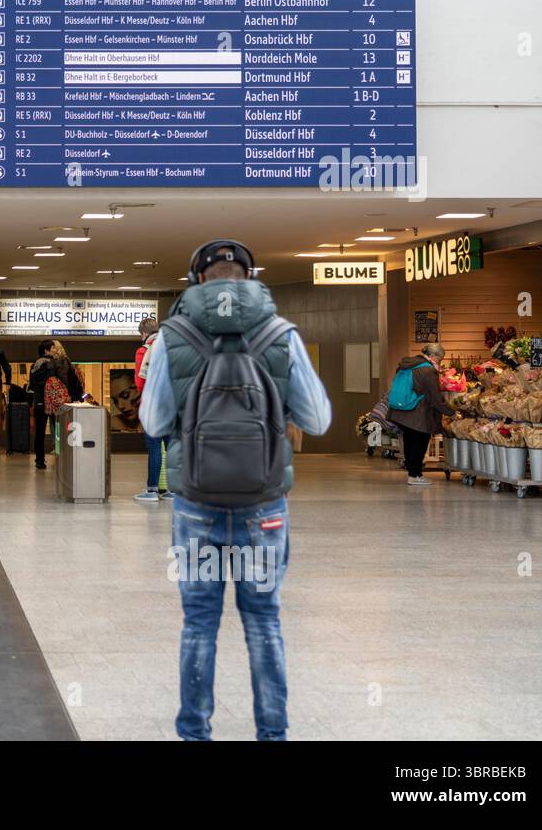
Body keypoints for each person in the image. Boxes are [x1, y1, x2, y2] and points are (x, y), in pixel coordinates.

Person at [141, 239, 331, 741]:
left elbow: (155, 422)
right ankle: (272, 734)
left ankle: (194, 733)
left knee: (199, 623)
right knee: (264, 623)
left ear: (195, 280)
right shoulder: (280, 334)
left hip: (196, 506)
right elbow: (318, 417)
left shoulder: (171, 336)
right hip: (264, 505)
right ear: (250, 278)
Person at [388, 342, 456, 485]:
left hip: (403, 410)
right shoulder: (427, 370)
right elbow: (435, 398)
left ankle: (412, 474)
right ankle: (415, 475)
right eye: (439, 359)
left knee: (409, 443)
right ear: (432, 356)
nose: (440, 362)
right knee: (419, 444)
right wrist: (451, 412)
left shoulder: (407, 365)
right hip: (419, 413)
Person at [134, 316, 172, 502]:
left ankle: (152, 490)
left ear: (144, 333)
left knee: (154, 447)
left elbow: (140, 382)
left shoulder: (144, 350)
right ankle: (172, 490)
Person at [30, 339, 84, 470]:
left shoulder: (36, 364)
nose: (54, 350)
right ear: (46, 350)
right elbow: (69, 381)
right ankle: (61, 457)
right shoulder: (59, 363)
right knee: (60, 431)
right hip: (57, 403)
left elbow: (33, 384)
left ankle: (39, 460)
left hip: (40, 402)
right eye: (52, 348)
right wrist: (77, 396)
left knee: (40, 432)